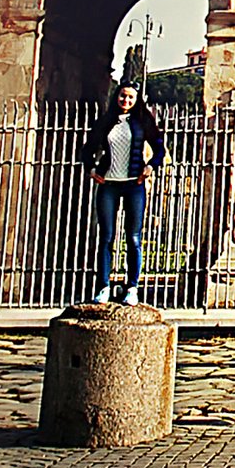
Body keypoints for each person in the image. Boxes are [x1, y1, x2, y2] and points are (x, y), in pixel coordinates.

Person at [80, 80, 163, 305]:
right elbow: (87, 149)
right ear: (117, 96)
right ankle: (103, 286)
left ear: (137, 100)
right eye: (122, 96)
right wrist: (91, 169)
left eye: (130, 97)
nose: (125, 100)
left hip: (133, 184)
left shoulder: (143, 121)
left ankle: (132, 287)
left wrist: (150, 166)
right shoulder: (106, 122)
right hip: (108, 184)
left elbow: (159, 148)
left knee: (133, 238)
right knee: (106, 237)